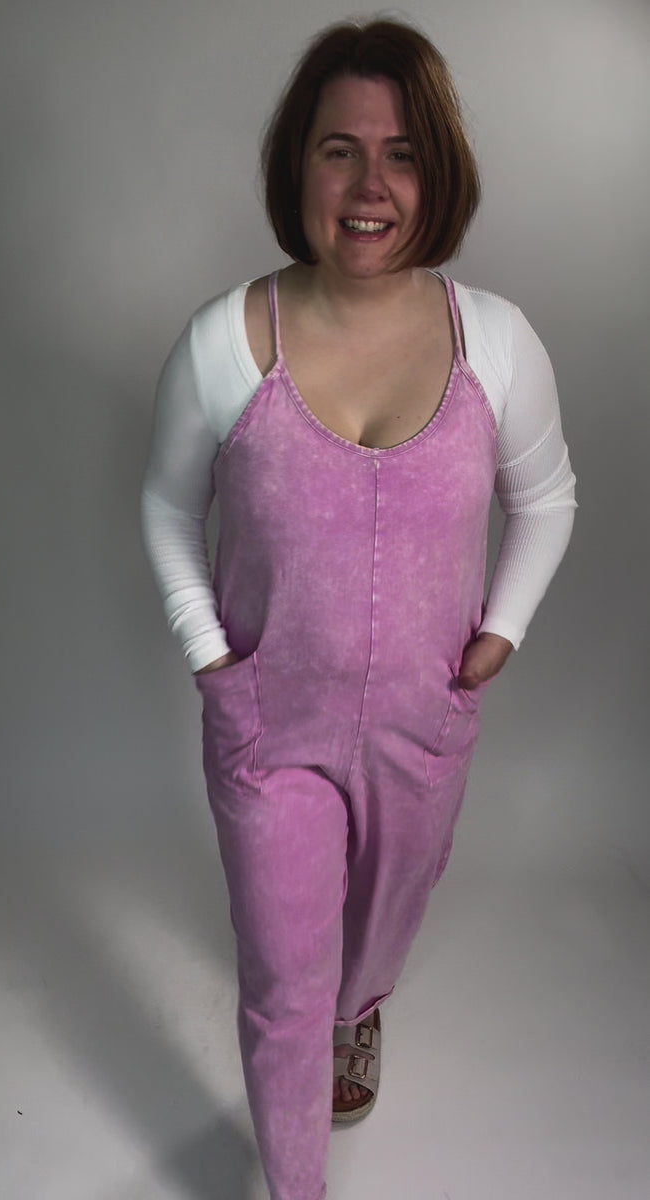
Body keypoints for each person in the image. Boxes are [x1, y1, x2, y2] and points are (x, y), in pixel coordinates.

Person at [140, 17, 576, 1200]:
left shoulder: (496, 345)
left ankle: (363, 1003)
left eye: (403, 154)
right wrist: (210, 654)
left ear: (441, 174)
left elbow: (547, 498)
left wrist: (500, 634)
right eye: (340, 151)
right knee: (285, 983)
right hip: (270, 726)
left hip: (424, 725)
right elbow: (168, 507)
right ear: (299, 168)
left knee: (378, 928)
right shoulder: (227, 343)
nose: (371, 184)